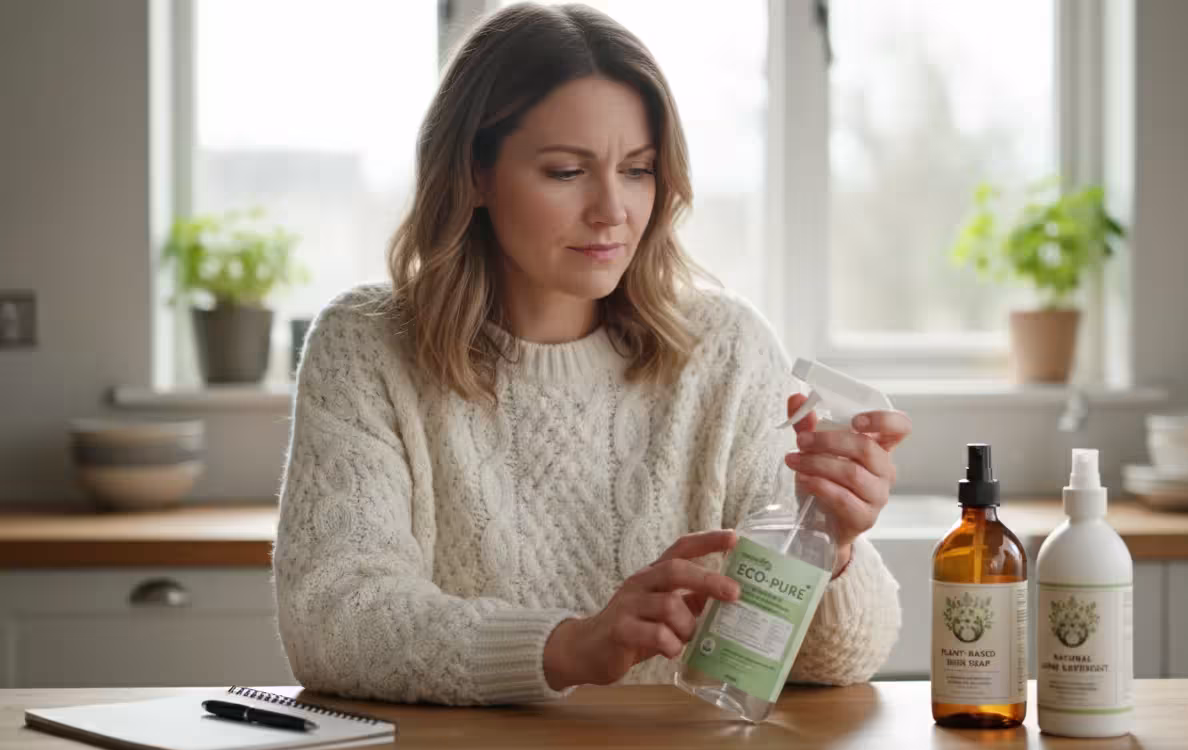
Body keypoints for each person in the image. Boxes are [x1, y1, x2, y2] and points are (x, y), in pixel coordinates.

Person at [273, 2, 911, 706]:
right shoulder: (367, 347)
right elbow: (334, 620)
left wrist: (831, 544)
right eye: (567, 172)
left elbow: (841, 660)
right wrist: (568, 645)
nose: (613, 210)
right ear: (475, 174)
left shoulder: (724, 352)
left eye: (637, 170)